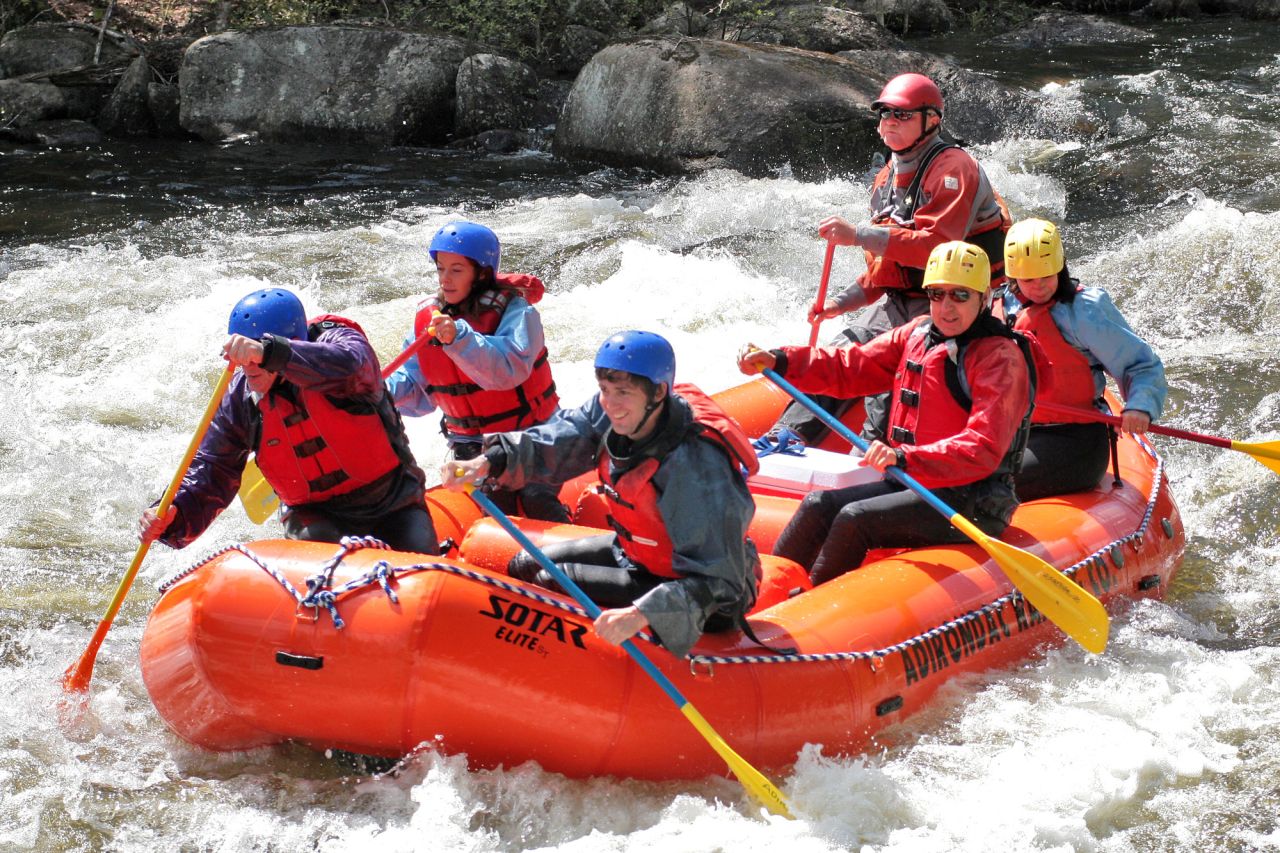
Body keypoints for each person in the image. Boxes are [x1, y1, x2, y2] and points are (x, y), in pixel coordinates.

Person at [443, 330, 760, 658]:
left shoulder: (695, 466)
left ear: (658, 392)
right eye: (605, 390)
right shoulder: (615, 412)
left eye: (623, 392)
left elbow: (721, 581)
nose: (611, 403)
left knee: (555, 579)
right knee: (526, 564)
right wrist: (488, 461)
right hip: (639, 558)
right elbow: (566, 435)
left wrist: (642, 613)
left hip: (703, 592)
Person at [739, 242, 1034, 586]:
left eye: (960, 295)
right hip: (912, 483)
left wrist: (904, 457)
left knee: (854, 518)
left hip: (971, 499)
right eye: (937, 295)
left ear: (984, 298)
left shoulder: (1000, 359)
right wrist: (782, 360)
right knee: (818, 504)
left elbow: (982, 447)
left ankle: (804, 607)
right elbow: (851, 368)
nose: (947, 307)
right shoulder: (918, 333)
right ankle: (763, 591)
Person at [771, 72, 1012, 448]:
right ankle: (783, 440)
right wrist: (840, 303)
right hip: (902, 301)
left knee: (895, 375)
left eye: (901, 115)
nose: (889, 123)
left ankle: (869, 461)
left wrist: (858, 236)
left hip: (954, 301)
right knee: (839, 350)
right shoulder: (886, 178)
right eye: (885, 115)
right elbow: (887, 269)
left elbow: (935, 247)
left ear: (931, 120)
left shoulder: (954, 169)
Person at [139, 288, 437, 553]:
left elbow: (349, 363)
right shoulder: (241, 397)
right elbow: (212, 468)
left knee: (420, 561)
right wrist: (176, 511)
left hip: (393, 502)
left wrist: (270, 353)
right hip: (313, 514)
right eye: (243, 355)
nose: (246, 366)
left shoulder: (341, 348)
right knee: (318, 547)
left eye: (254, 355)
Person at [386, 220, 568, 523]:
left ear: (482, 273)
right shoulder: (429, 320)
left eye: (457, 270)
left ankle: (570, 559)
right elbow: (416, 390)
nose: (445, 279)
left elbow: (508, 369)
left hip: (531, 439)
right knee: (494, 510)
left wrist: (459, 338)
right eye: (441, 269)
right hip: (471, 447)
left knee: (536, 498)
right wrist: (374, 391)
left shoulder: (518, 313)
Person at [1000, 218, 1167, 500]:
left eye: (1047, 276)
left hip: (1074, 440)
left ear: (1060, 268)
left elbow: (1142, 366)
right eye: (1029, 280)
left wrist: (1140, 406)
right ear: (1013, 277)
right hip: (1017, 435)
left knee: (982, 482)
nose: (1039, 286)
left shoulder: (1085, 311)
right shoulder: (999, 308)